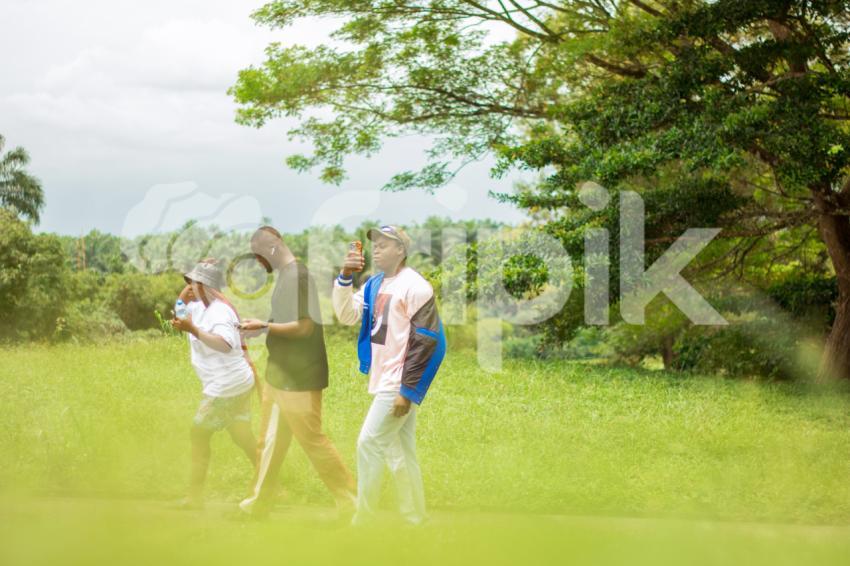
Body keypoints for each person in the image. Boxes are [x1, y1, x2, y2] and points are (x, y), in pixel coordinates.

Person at [238, 226, 356, 519]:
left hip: (300, 378)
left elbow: (305, 327)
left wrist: (263, 326)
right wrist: (261, 328)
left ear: (271, 248)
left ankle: (353, 505)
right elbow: (286, 323)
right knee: (268, 442)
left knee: (312, 441)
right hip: (279, 375)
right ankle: (258, 504)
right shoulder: (286, 277)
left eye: (259, 256)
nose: (258, 262)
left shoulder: (298, 277)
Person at [332, 225, 447, 526]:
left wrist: (407, 391)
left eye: (385, 244)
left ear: (402, 250)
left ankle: (364, 520)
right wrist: (345, 276)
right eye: (376, 244)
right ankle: (415, 519)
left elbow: (427, 340)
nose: (377, 249)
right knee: (400, 453)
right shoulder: (374, 284)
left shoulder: (416, 286)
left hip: (397, 381)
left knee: (368, 443)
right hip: (384, 379)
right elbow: (346, 315)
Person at [170, 259, 258, 509]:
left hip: (226, 384)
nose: (189, 287)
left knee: (198, 434)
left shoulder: (220, 312)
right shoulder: (199, 306)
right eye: (187, 283)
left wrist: (193, 331)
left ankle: (194, 497)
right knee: (241, 435)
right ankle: (273, 485)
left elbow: (225, 343)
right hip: (236, 381)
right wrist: (181, 300)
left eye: (193, 283)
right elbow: (180, 314)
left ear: (206, 286)